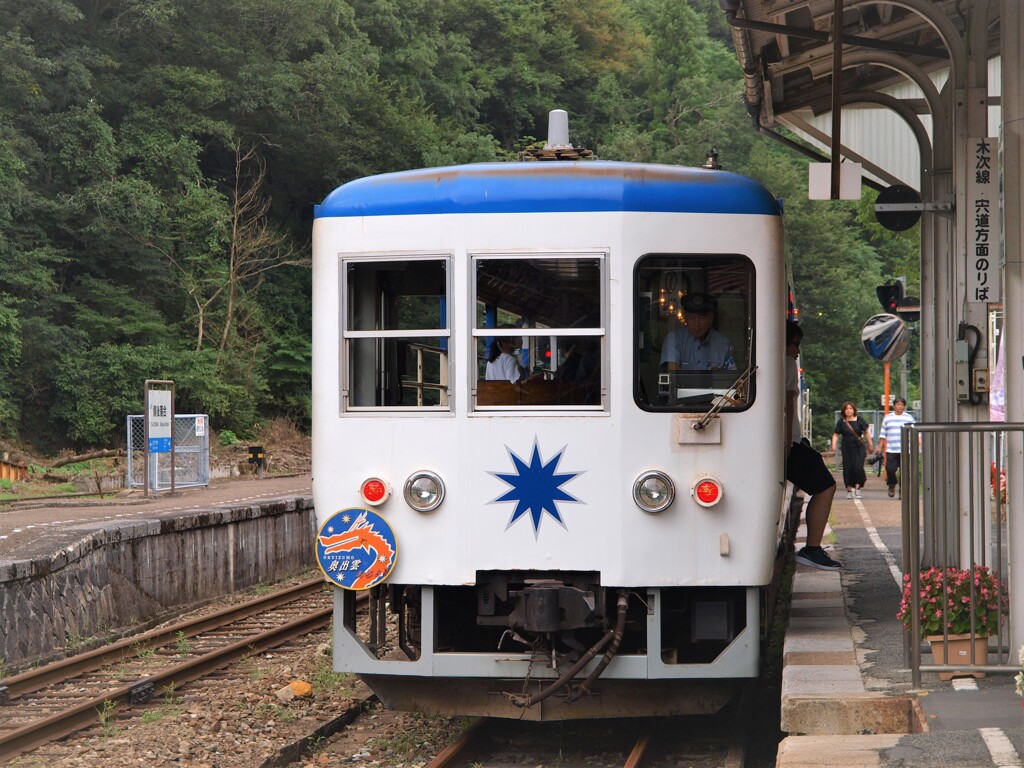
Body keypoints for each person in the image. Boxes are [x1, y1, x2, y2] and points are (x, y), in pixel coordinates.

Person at [785, 321, 840, 571]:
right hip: (790, 444)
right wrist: (787, 446)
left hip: (789, 443)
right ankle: (812, 548)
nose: (797, 352)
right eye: (795, 344)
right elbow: (785, 407)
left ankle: (813, 548)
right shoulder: (785, 364)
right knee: (825, 486)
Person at [660, 292, 737, 371]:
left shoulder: (723, 343)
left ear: (711, 318)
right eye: (691, 318)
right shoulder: (674, 340)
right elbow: (673, 375)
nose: (696, 324)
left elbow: (733, 378)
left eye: (702, 318)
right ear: (685, 317)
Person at [831, 401, 874, 499]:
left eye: (850, 408)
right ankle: (849, 489)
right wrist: (834, 444)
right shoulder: (841, 422)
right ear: (844, 411)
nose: (849, 411)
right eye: (847, 409)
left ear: (854, 410)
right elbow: (836, 434)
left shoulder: (859, 420)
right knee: (848, 468)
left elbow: (866, 432)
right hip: (847, 447)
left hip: (859, 447)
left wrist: (870, 444)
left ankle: (858, 488)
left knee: (858, 467)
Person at [877, 397, 915, 497]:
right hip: (891, 449)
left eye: (902, 405)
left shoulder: (909, 418)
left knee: (905, 471)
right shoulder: (888, 417)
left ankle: (903, 490)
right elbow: (883, 433)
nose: (900, 407)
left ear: (904, 406)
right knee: (890, 469)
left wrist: (917, 444)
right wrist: (880, 447)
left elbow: (914, 432)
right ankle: (891, 484)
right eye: (898, 404)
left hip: (906, 449)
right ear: (894, 406)